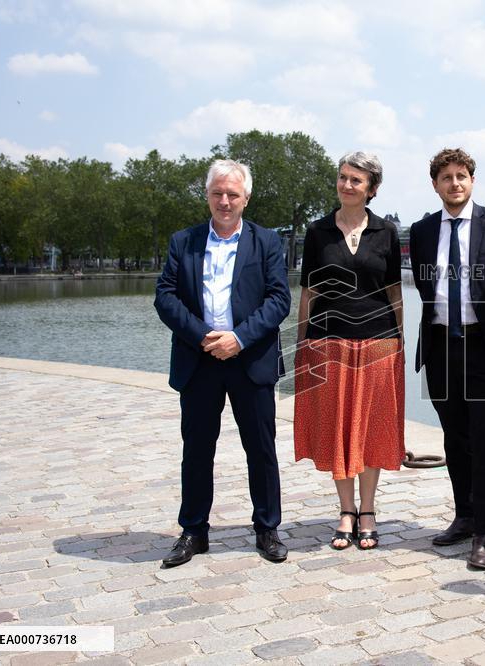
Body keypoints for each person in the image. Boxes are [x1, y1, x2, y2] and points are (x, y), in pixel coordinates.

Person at [155, 159, 291, 567]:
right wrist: (203, 336)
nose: (225, 201)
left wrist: (239, 337)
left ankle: (267, 528)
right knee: (196, 449)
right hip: (199, 359)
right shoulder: (184, 241)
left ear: (246, 197)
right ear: (208, 196)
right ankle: (193, 531)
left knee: (261, 448)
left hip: (249, 358)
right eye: (218, 193)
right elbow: (165, 296)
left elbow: (279, 299)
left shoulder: (266, 242)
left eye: (233, 193)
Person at [409, 148, 485, 569]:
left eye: (461, 176)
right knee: (454, 437)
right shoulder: (421, 231)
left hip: (484, 348)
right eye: (446, 177)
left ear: (472, 180)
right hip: (439, 347)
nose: (454, 183)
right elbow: (424, 288)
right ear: (436, 185)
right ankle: (464, 515)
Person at [294, 151, 404, 551]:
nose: (346, 185)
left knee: (373, 428)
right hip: (328, 342)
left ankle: (369, 510)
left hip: (378, 341)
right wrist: (301, 343)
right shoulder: (317, 231)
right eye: (342, 178)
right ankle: (345, 510)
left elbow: (395, 293)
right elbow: (309, 290)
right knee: (337, 427)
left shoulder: (386, 232)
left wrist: (401, 342)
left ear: (371, 188)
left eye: (356, 180)